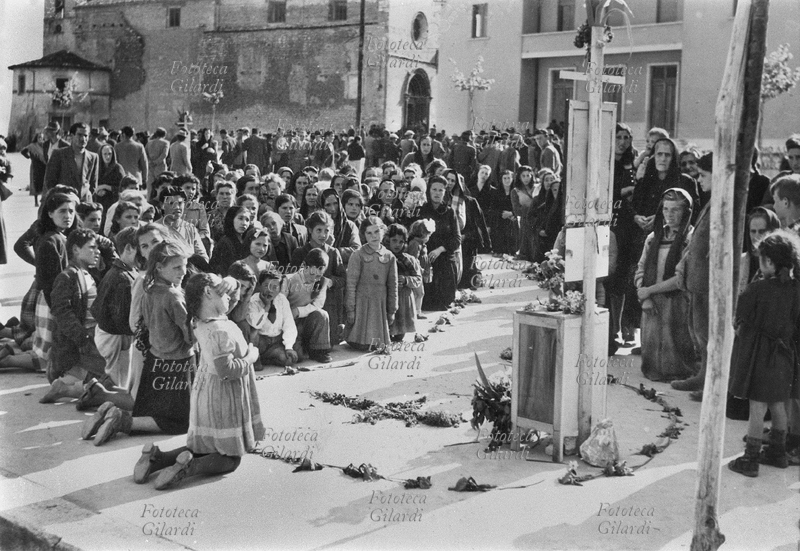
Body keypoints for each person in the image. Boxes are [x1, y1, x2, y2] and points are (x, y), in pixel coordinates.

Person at [132, 271, 264, 490]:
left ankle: (158, 458)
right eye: (223, 292)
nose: (230, 297)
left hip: (207, 393)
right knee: (230, 458)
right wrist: (251, 357)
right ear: (208, 292)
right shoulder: (220, 330)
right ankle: (190, 468)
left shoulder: (202, 320)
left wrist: (230, 282)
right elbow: (227, 370)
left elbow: (225, 306)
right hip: (223, 397)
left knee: (205, 446)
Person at [86, 240, 194, 446]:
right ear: (159, 267)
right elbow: (189, 336)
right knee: (180, 420)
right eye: (177, 267)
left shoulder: (150, 290)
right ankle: (123, 421)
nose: (184, 271)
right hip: (177, 365)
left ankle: (110, 411)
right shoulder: (174, 296)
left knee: (155, 409)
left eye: (185, 265)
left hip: (155, 361)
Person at [727, 230, 800, 477]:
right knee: (778, 404)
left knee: (757, 407)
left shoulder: (757, 289)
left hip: (761, 356)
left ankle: (751, 458)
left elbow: (740, 319)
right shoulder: (795, 289)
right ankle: (778, 453)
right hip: (785, 355)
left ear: (768, 261)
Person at [39, 228, 108, 403]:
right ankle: (66, 387)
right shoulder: (67, 277)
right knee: (114, 385)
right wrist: (82, 337)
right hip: (83, 342)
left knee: (118, 380)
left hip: (95, 338)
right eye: (92, 247)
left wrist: (110, 247)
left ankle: (70, 383)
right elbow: (61, 311)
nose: (97, 251)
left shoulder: (90, 275)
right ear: (76, 249)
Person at [635, 188, 697, 382]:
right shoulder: (653, 238)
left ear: (686, 212)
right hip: (651, 303)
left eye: (675, 210)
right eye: (666, 209)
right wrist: (644, 297)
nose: (669, 214)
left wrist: (648, 291)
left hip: (677, 302)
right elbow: (640, 270)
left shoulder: (691, 239)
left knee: (676, 350)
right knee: (653, 356)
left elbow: (681, 279)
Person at [89, 226, 138, 395]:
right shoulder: (123, 278)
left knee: (119, 381)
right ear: (129, 249)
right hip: (115, 337)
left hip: (116, 335)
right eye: (143, 248)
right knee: (116, 384)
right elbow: (121, 320)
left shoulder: (127, 271)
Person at [290, 212, 346, 345]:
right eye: (318, 230)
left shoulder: (333, 252)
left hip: (328, 302)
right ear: (310, 230)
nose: (323, 235)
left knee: (328, 342)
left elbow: (343, 278)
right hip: (304, 301)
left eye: (327, 230)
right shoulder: (300, 252)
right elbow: (293, 276)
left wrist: (330, 282)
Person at [345, 216, 398, 350]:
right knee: (359, 344)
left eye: (376, 232)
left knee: (378, 344)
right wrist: (350, 309)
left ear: (383, 231)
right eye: (369, 233)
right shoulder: (358, 255)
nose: (374, 236)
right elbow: (351, 284)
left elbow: (393, 285)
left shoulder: (389, 256)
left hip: (380, 302)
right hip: (362, 301)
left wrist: (392, 310)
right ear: (364, 235)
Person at [418, 177, 461, 311]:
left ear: (445, 192)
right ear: (429, 191)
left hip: (444, 257)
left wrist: (441, 249)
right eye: (434, 189)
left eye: (440, 190)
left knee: (444, 302)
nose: (437, 193)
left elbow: (457, 239)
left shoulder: (449, 212)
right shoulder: (422, 210)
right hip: (426, 258)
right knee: (427, 303)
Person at [285, 249, 333, 363]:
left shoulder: (322, 283)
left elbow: (318, 304)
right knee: (298, 358)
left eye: (318, 275)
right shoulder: (289, 280)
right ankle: (299, 346)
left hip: (306, 321)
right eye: (312, 274)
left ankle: (318, 350)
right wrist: (290, 313)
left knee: (322, 315)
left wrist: (298, 311)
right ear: (304, 266)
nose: (314, 278)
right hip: (290, 322)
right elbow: (281, 302)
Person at [247, 271, 298, 368]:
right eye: (266, 285)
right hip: (260, 341)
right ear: (259, 286)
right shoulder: (254, 301)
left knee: (289, 360)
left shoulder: (281, 299)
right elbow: (255, 324)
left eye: (275, 287)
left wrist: (288, 347)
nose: (270, 290)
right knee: (254, 332)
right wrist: (266, 307)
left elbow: (289, 323)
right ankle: (257, 358)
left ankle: (265, 357)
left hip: (275, 341)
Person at [43, 122, 99, 200]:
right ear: (72, 136)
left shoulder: (93, 157)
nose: (83, 139)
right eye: (79, 135)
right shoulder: (59, 154)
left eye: (85, 136)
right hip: (64, 201)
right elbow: (50, 181)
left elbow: (93, 183)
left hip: (84, 204)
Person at [385, 224, 421, 342]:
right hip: (389, 297)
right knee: (388, 330)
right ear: (388, 240)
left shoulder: (409, 259)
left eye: (401, 242)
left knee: (400, 334)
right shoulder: (384, 257)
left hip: (404, 298)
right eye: (394, 240)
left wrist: (406, 280)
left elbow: (418, 279)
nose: (397, 244)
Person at [320, 188, 361, 266]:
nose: (333, 209)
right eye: (328, 205)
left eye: (335, 203)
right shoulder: (315, 225)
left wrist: (333, 252)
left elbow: (357, 250)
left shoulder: (349, 225)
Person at [210, 206, 252, 276]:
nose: (244, 223)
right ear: (231, 219)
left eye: (247, 220)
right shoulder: (225, 242)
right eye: (240, 218)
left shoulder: (247, 240)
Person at [510, 166, 537, 261]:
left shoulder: (537, 188)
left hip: (538, 219)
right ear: (519, 177)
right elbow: (516, 209)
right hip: (525, 220)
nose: (526, 178)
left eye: (528, 175)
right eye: (523, 176)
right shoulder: (515, 191)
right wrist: (530, 210)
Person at [492, 169, 519, 257]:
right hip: (500, 219)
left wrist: (511, 213)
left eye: (509, 178)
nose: (507, 180)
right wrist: (502, 214)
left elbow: (518, 206)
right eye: (505, 178)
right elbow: (493, 208)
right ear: (501, 179)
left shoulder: (516, 192)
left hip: (513, 219)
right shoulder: (496, 192)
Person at [20, 132, 47, 207]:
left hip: (44, 166)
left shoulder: (45, 146)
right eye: (39, 137)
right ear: (36, 138)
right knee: (35, 183)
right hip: (35, 167)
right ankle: (36, 201)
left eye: (42, 138)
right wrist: (28, 157)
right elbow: (23, 151)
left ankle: (43, 199)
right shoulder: (32, 146)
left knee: (43, 182)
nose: (41, 139)